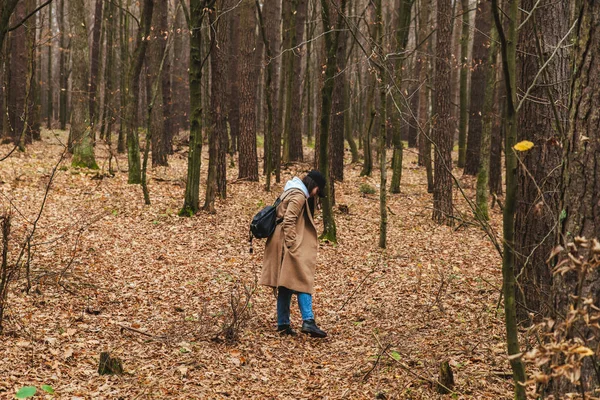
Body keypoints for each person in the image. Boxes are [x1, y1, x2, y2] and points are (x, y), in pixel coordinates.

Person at [260, 170, 327, 338]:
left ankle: (283, 324)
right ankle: (308, 321)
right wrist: (292, 245)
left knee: (286, 283)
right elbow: (289, 220)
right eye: (317, 190)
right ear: (313, 185)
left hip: (279, 241)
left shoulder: (291, 190)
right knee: (302, 278)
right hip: (286, 243)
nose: (316, 195)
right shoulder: (298, 196)